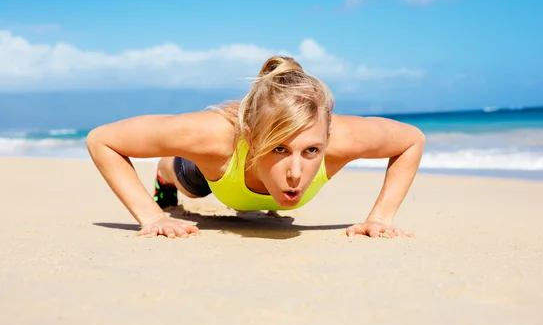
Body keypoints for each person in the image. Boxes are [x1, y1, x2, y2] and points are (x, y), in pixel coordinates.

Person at [86, 56, 426, 239]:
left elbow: (412, 140)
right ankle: (167, 174)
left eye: (311, 151)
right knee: (189, 183)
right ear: (250, 136)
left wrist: (380, 218)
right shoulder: (214, 136)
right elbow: (102, 139)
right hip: (217, 171)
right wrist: (152, 217)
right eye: (278, 149)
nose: (297, 173)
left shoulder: (344, 138)